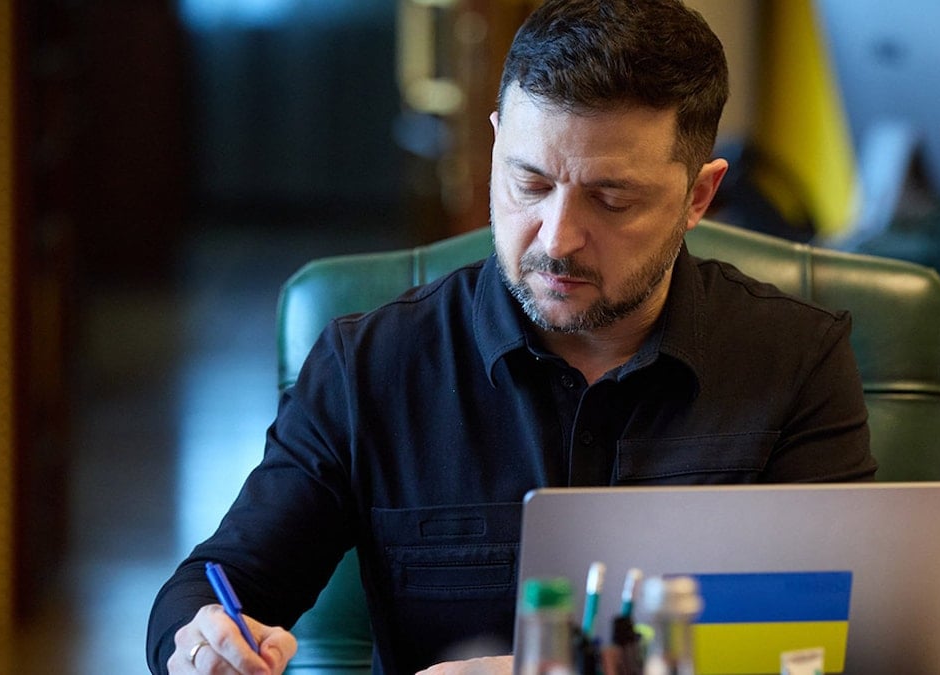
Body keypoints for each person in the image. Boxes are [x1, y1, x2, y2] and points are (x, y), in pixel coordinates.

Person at [147, 1, 876, 673]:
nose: (556, 239)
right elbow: (218, 583)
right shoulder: (370, 365)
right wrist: (203, 641)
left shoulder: (795, 360)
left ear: (699, 197)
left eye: (611, 199)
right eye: (529, 184)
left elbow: (843, 636)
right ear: (495, 145)